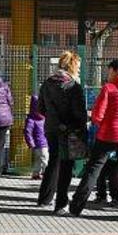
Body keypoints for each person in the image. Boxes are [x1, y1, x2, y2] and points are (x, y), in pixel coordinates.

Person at [69, 59, 118, 219]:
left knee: (93, 170)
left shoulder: (108, 89)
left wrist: (106, 124)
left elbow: (97, 116)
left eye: (110, 70)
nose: (108, 74)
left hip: (107, 135)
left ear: (117, 71)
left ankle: (76, 207)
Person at [37, 51, 89, 213]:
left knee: (54, 161)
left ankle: (44, 198)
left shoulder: (47, 83)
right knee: (66, 166)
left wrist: (54, 120)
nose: (79, 70)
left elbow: (40, 108)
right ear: (71, 66)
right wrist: (80, 127)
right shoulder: (73, 86)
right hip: (69, 130)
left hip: (51, 128)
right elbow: (80, 112)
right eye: (78, 67)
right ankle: (61, 204)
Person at [23, 95, 49, 180]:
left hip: (44, 142)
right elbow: (27, 132)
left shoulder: (44, 118)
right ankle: (47, 172)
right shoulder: (31, 120)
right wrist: (31, 143)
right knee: (44, 158)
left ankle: (36, 173)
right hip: (38, 143)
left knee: (39, 159)